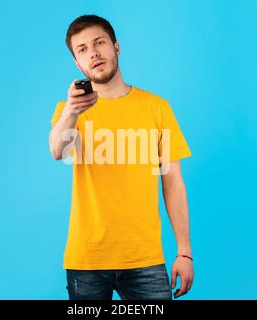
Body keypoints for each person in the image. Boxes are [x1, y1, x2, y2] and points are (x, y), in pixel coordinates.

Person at [49, 15, 194, 300]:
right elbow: (58, 150)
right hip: (87, 260)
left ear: (116, 47)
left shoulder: (157, 108)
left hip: (145, 259)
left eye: (99, 43)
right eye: (82, 50)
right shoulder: (69, 112)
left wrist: (184, 252)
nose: (93, 53)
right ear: (77, 64)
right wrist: (71, 112)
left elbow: (173, 182)